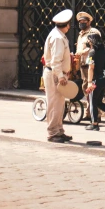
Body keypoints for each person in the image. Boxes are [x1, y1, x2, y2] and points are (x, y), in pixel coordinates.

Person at [43, 9, 73, 144]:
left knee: (59, 104)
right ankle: (53, 132)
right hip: (55, 74)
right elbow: (56, 60)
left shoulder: (59, 35)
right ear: (66, 25)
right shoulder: (57, 38)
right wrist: (60, 76)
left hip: (57, 73)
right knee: (54, 104)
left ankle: (59, 130)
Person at [75, 12, 100, 94]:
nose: (81, 23)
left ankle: (92, 106)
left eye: (84, 21)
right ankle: (90, 105)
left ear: (89, 22)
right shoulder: (80, 34)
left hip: (91, 64)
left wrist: (81, 52)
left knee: (90, 86)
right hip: (82, 64)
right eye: (80, 22)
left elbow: (95, 47)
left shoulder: (93, 32)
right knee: (85, 86)